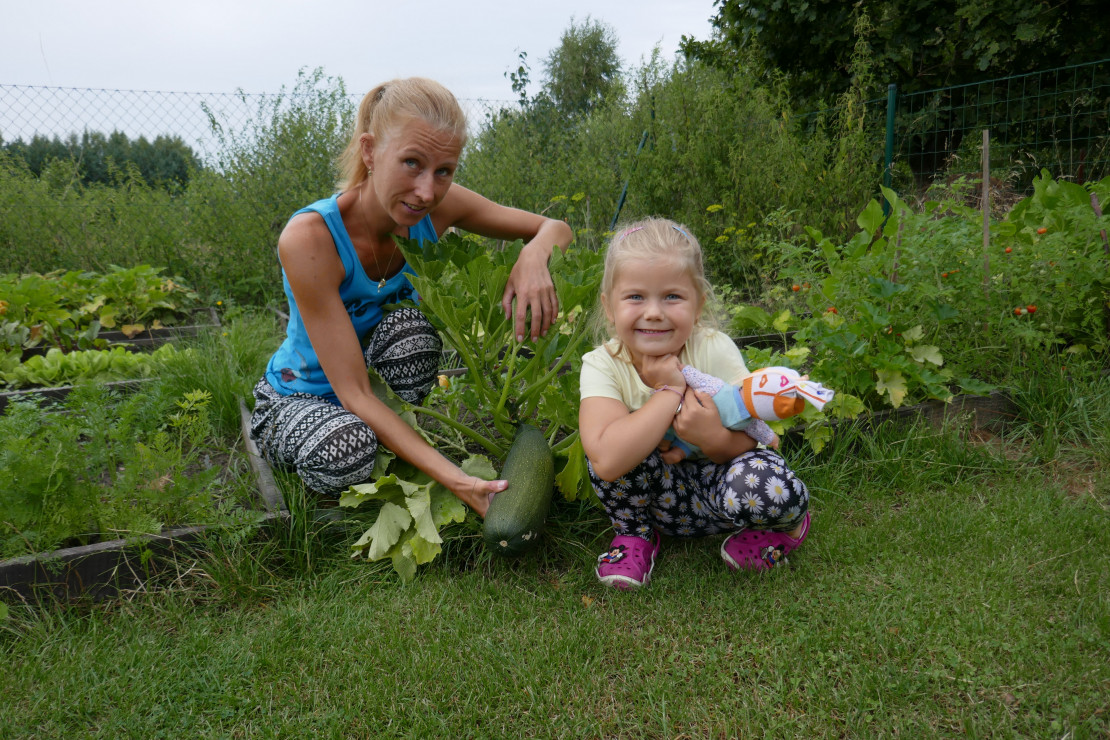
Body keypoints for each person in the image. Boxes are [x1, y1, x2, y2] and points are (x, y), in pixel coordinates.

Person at [249, 77, 573, 517]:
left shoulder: (438, 208)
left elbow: (556, 228)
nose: (426, 191)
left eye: (444, 171)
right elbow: (355, 395)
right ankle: (314, 458)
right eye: (412, 164)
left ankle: (395, 452)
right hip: (301, 396)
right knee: (347, 450)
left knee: (413, 333)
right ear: (369, 151)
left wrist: (535, 256)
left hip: (376, 390)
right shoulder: (310, 238)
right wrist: (459, 480)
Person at [579, 217, 812, 590]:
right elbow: (606, 460)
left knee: (770, 482)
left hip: (725, 488)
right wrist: (670, 392)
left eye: (672, 296)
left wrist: (710, 437)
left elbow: (760, 440)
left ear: (698, 304)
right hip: (661, 502)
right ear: (609, 307)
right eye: (635, 296)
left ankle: (785, 529)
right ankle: (635, 535)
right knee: (611, 445)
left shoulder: (713, 349)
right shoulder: (602, 364)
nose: (654, 312)